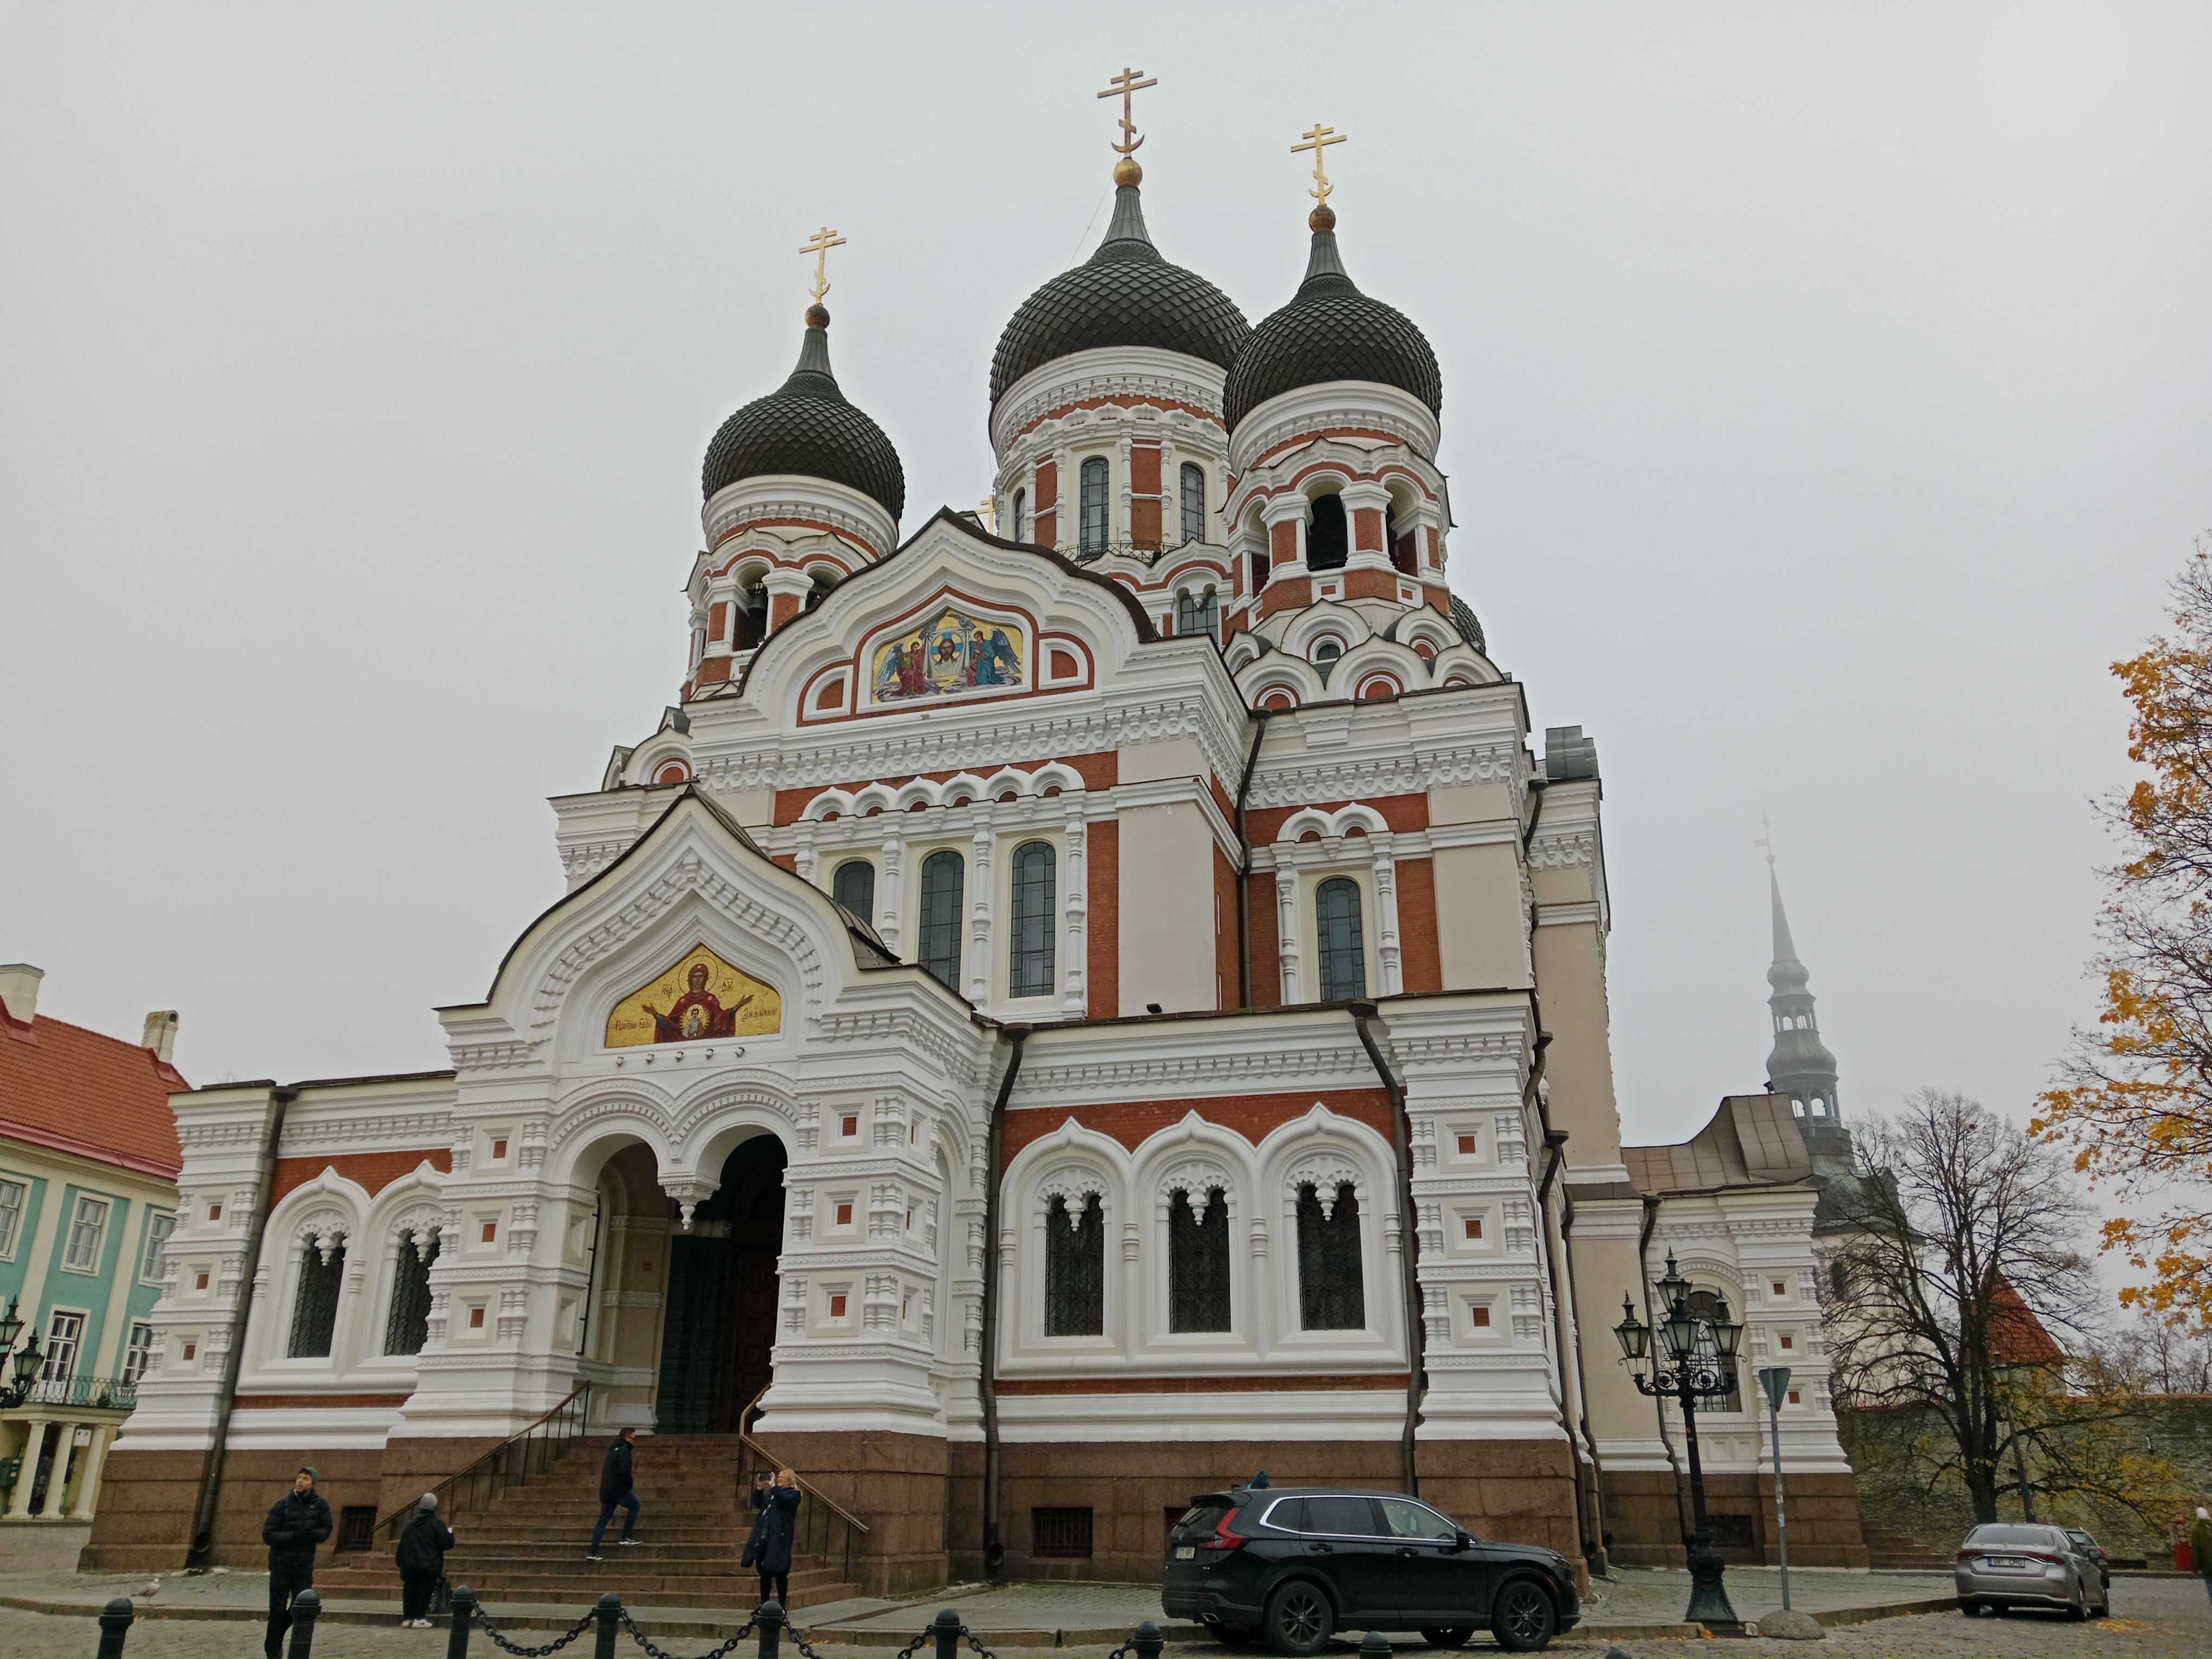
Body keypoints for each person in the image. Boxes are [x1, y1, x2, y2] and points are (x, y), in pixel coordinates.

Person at [262, 1467, 332, 1659]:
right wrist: (292, 1536)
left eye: (306, 1479)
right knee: (276, 1610)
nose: (300, 1481)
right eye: (299, 1478)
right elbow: (268, 1534)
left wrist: (311, 1535)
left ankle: (277, 1638)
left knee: (300, 1607)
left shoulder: (320, 1505)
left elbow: (326, 1530)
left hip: (303, 1565)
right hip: (281, 1564)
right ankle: (272, 1650)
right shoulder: (282, 1504)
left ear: (313, 1483)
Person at [742, 1467, 801, 1606]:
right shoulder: (772, 1494)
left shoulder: (794, 1494)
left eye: (783, 1477)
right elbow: (759, 1503)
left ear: (790, 1480)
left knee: (781, 1572)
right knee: (765, 1573)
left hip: (780, 1539)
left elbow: (783, 1501)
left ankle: (782, 1605)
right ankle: (764, 1605)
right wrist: (759, 1487)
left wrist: (774, 1486)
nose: (779, 1478)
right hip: (764, 1537)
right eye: (778, 1477)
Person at [395, 1491, 455, 1629]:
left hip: (410, 1564)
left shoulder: (411, 1524)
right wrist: (451, 1535)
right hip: (428, 1564)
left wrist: (400, 1561)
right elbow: (447, 1543)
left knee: (409, 1590)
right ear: (435, 1508)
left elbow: (403, 1543)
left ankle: (408, 1618)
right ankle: (419, 1617)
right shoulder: (436, 1524)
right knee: (424, 1591)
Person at [588, 1426, 641, 1560]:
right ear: (628, 1438)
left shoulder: (613, 1451)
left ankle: (593, 1551)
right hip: (619, 1489)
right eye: (634, 1439)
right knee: (635, 1505)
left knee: (602, 1520)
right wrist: (629, 1484)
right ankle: (626, 1536)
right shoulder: (624, 1451)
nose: (634, 1442)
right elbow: (625, 1472)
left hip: (607, 1490)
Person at [2191, 1506, 2212, 1606]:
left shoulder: (2197, 1531)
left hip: (2208, 1565)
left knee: (2210, 1584)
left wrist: (2194, 1568)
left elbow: (2195, 1551)